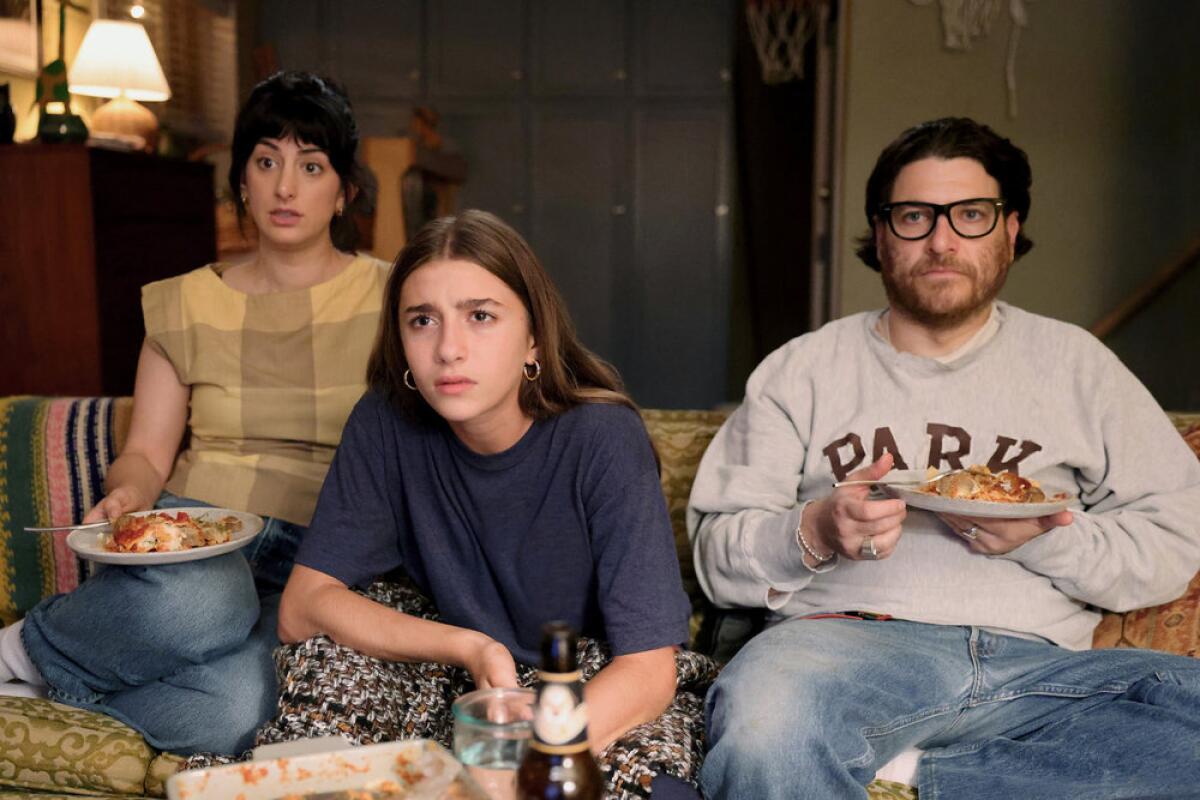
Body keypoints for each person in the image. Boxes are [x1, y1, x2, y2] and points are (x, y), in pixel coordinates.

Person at [688, 117, 1200, 799]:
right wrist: (814, 532)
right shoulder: (802, 370)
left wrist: (1041, 541)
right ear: (879, 234)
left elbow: (1175, 538)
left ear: (1010, 230)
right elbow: (716, 558)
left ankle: (914, 771)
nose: (941, 240)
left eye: (971, 215)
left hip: (1039, 674)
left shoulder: (1079, 366)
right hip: (842, 654)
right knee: (764, 731)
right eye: (913, 217)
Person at [0, 71, 388, 755]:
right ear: (241, 180)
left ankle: (56, 674)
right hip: (203, 534)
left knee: (235, 713)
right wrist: (126, 491)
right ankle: (27, 651)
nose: (285, 188)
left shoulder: (396, 297)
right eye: (266, 162)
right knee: (203, 606)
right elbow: (148, 450)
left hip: (325, 557)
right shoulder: (181, 303)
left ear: (344, 192)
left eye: (312, 166)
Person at [275, 209, 709, 796]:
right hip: (451, 665)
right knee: (320, 735)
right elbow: (302, 607)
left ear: (533, 336)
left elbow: (649, 667)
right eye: (422, 321)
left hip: (586, 677)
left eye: (480, 316)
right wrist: (469, 646)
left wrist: (531, 754)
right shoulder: (384, 422)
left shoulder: (603, 436)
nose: (449, 349)